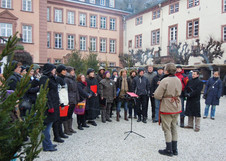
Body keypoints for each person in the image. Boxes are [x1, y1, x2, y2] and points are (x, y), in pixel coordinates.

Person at [154, 63, 182, 156]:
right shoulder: (178, 79)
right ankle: (175, 149)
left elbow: (157, 95)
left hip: (167, 106)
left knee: (167, 128)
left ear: (167, 71)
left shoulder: (165, 80)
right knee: (174, 127)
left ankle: (169, 150)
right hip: (176, 105)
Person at [39, 63, 58, 152]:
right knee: (46, 127)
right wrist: (49, 106)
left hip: (53, 104)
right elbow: (45, 93)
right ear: (50, 69)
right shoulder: (44, 78)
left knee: (48, 126)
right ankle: (46, 145)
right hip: (48, 106)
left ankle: (48, 143)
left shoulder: (50, 78)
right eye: (53, 69)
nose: (55, 70)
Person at [55, 64, 71, 137]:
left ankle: (60, 133)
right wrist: (61, 102)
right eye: (64, 70)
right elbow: (58, 92)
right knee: (59, 119)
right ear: (60, 71)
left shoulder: (63, 79)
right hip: (61, 102)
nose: (65, 71)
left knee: (62, 118)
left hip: (65, 101)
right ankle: (58, 134)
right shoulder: (58, 79)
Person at [64, 66, 80, 133]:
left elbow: (76, 90)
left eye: (73, 70)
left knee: (70, 114)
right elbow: (65, 90)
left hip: (74, 99)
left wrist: (77, 98)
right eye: (72, 70)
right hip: (69, 99)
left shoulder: (73, 79)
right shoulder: (66, 79)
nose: (73, 72)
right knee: (67, 114)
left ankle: (70, 128)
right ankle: (66, 129)